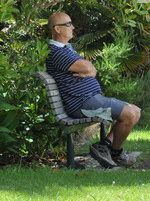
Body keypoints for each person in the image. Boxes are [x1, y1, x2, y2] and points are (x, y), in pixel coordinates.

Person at [45, 12, 141, 168]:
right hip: (82, 105)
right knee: (130, 114)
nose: (72, 27)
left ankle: (106, 146)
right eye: (68, 24)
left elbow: (92, 70)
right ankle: (115, 153)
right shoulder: (55, 52)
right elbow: (88, 67)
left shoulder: (67, 49)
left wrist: (89, 70)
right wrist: (87, 70)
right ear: (57, 29)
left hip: (90, 100)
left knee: (135, 111)